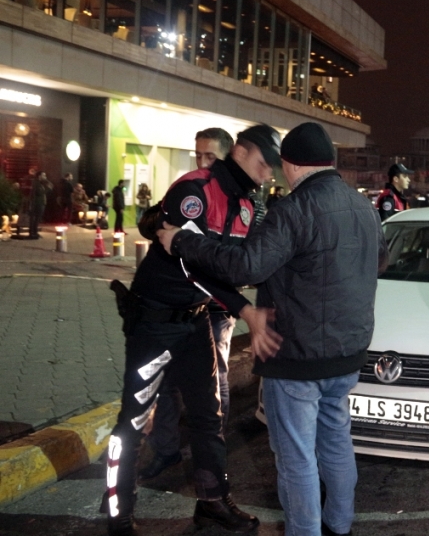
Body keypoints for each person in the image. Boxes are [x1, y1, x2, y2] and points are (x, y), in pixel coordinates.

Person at [157, 122, 387, 536]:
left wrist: (183, 242)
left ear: (293, 165)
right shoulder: (364, 208)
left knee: (296, 456)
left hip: (296, 356)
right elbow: (380, 262)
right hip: (348, 353)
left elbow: (247, 266)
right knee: (336, 440)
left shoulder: (293, 210)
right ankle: (339, 525)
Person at [102, 123, 282, 536]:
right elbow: (191, 263)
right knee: (133, 421)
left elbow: (237, 266)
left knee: (208, 416)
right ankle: (119, 517)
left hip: (197, 319)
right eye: (264, 163)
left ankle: (213, 503)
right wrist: (246, 310)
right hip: (155, 324)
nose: (269, 173)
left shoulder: (249, 207)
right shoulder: (194, 189)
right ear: (242, 151)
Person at [138, 128, 239, 482]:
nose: (202, 162)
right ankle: (165, 450)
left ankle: (212, 449)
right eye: (198, 155)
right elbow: (155, 226)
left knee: (216, 378)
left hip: (215, 304)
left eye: (210, 156)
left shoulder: (238, 199)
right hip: (181, 301)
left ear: (227, 159)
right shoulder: (188, 188)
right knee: (165, 379)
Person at [28, 171, 53, 239]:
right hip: (38, 203)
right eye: (44, 175)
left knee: (37, 218)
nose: (45, 177)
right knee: (36, 218)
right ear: (39, 176)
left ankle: (35, 232)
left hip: (41, 203)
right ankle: (33, 233)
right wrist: (48, 188)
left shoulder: (40, 183)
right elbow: (40, 192)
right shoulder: (36, 183)